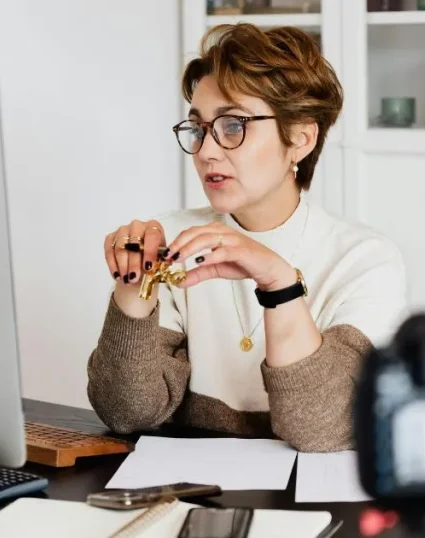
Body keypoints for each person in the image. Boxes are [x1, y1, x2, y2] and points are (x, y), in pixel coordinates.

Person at [86, 23, 407, 452]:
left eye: (233, 125)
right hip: (192, 495)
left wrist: (280, 284)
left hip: (311, 507)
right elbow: (127, 412)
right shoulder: (172, 240)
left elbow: (324, 428)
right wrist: (133, 289)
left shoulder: (365, 260)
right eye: (198, 128)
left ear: (300, 138)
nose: (206, 151)